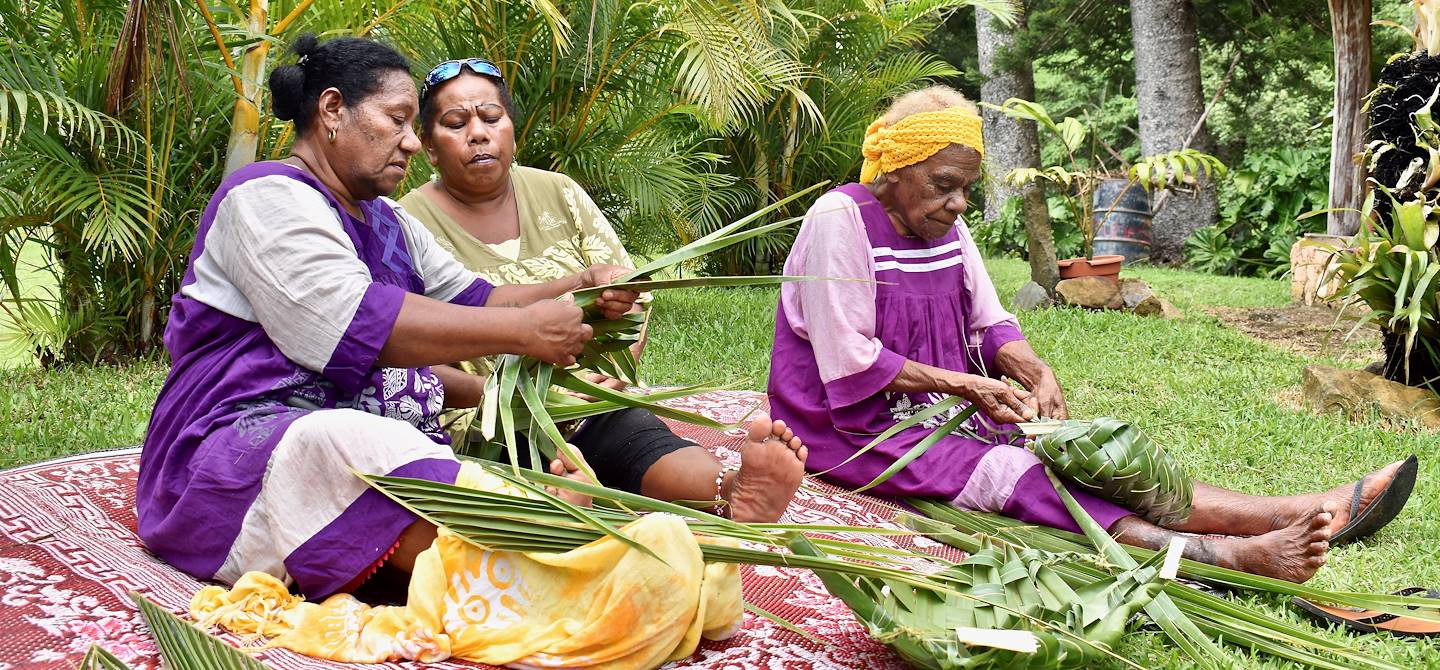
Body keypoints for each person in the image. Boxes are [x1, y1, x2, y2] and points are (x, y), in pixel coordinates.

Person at [137, 36, 758, 665]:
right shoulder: (264, 199)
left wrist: (580, 288)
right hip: (232, 446)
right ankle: (563, 548)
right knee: (344, 442)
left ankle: (563, 551)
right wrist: (526, 334)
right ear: (331, 110)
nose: (411, 142)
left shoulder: (386, 220)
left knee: (417, 446)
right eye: (399, 121)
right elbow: (353, 326)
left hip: (374, 436)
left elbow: (480, 297)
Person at [767, 85, 1414, 583]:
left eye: (967, 187)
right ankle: (1221, 553)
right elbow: (849, 363)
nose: (960, 203)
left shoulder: (945, 225)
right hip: (856, 430)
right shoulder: (841, 219)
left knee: (1088, 455)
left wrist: (1032, 368)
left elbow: (988, 320)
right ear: (895, 171)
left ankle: (1283, 510)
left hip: (940, 411)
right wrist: (968, 386)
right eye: (944, 185)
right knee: (1013, 473)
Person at [396, 57, 805, 523]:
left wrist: (615, 369)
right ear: (427, 146)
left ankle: (731, 492)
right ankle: (557, 498)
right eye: (455, 123)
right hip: (485, 420)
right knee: (520, 473)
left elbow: (630, 292)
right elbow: (403, 345)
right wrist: (496, 396)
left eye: (491, 118)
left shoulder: (560, 193)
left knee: (635, 435)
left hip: (585, 396)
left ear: (511, 128)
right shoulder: (406, 224)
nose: (478, 133)